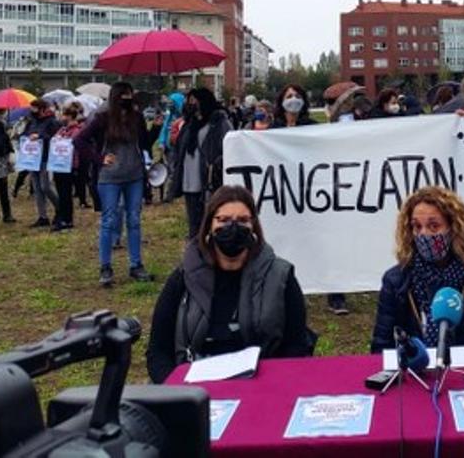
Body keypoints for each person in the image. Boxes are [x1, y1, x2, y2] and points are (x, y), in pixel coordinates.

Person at [146, 185, 313, 383]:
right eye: (223, 220)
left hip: (261, 386)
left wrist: (275, 385)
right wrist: (175, 391)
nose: (232, 228)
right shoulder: (182, 278)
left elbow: (296, 346)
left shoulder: (281, 277)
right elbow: (158, 351)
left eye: (242, 220)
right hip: (193, 389)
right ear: (209, 225)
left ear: (254, 226)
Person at [370, 186, 464, 352]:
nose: (424, 234)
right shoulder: (396, 279)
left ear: (453, 227)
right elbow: (381, 345)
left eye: (434, 226)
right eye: (417, 227)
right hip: (415, 371)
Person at [78, 82, 157, 287]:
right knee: (108, 220)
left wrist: (157, 127)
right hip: (109, 177)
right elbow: (79, 140)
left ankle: (136, 264)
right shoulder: (103, 120)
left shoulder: (136, 118)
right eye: (124, 95)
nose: (128, 98)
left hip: (134, 175)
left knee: (134, 220)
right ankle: (105, 266)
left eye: (130, 94)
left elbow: (145, 142)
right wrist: (98, 158)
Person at [168, 87, 231, 241]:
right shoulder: (189, 124)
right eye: (189, 101)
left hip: (208, 180)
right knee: (193, 223)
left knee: (210, 220)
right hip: (188, 180)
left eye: (194, 101)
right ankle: (195, 256)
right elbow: (178, 149)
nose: (191, 104)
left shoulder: (218, 122)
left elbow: (227, 147)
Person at [22, 99, 62, 227]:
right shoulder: (31, 121)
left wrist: (40, 136)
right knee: (37, 188)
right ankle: (42, 216)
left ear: (42, 109)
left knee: (46, 186)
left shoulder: (52, 122)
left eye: (34, 108)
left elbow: (56, 139)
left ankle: (60, 207)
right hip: (32, 158)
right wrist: (25, 137)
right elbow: (25, 133)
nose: (32, 111)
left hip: (46, 156)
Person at [50, 103, 85, 232]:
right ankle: (62, 216)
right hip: (58, 164)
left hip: (69, 165)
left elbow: (72, 143)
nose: (62, 117)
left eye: (64, 115)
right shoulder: (63, 129)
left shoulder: (76, 130)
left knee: (66, 193)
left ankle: (67, 219)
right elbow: (54, 139)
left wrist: (60, 140)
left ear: (70, 116)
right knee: (61, 192)